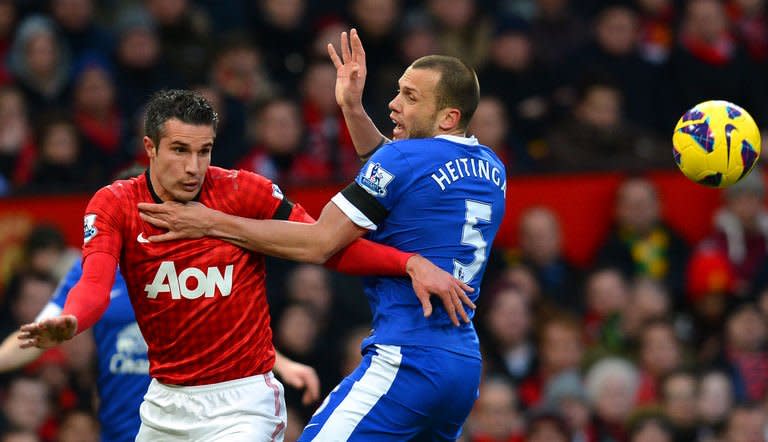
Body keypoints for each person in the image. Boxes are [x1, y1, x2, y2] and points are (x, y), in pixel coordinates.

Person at [18, 89, 470, 441]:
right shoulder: (115, 203)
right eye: (179, 150)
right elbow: (94, 282)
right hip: (164, 402)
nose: (194, 166)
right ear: (149, 148)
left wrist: (407, 262)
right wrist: (72, 320)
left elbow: (326, 245)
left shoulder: (245, 192)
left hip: (244, 401)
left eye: (204, 150)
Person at [135, 29, 505, 440]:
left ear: (448, 117)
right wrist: (352, 107)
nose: (393, 104)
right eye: (399, 91)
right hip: (463, 365)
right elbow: (405, 167)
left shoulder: (405, 159)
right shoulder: (490, 167)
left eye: (410, 97)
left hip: (409, 359)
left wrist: (210, 222)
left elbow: (318, 242)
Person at [0, 257, 321, 441]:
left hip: (189, 422)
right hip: (120, 425)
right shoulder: (91, 268)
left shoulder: (185, 264)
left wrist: (281, 363)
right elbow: (39, 335)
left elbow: (224, 329)